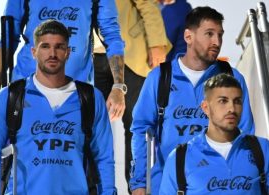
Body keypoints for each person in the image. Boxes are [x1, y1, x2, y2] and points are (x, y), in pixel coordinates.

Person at [0, 20, 117, 195]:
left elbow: (104, 158)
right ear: (34, 52)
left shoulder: (91, 98)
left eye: (59, 47)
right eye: (45, 46)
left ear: (68, 53)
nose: (52, 53)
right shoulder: (10, 97)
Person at [130, 6, 255, 195]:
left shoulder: (232, 77)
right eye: (209, 34)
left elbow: (245, 135)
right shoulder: (160, 77)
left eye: (220, 35)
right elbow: (141, 130)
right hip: (167, 186)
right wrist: (139, 183)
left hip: (217, 186)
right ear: (188, 37)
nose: (217, 41)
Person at [0, 0, 126, 122]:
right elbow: (8, 36)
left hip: (75, 96)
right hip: (27, 93)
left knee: (74, 152)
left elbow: (112, 36)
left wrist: (118, 87)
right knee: (25, 152)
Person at [93, 0, 171, 191]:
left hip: (130, 54)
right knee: (92, 130)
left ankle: (140, 188)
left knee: (138, 128)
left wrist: (157, 43)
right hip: (89, 58)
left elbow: (147, 3)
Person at [159, 73, 269, 195]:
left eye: (237, 101)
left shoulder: (263, 149)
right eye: (223, 101)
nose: (232, 109)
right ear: (205, 107)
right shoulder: (179, 157)